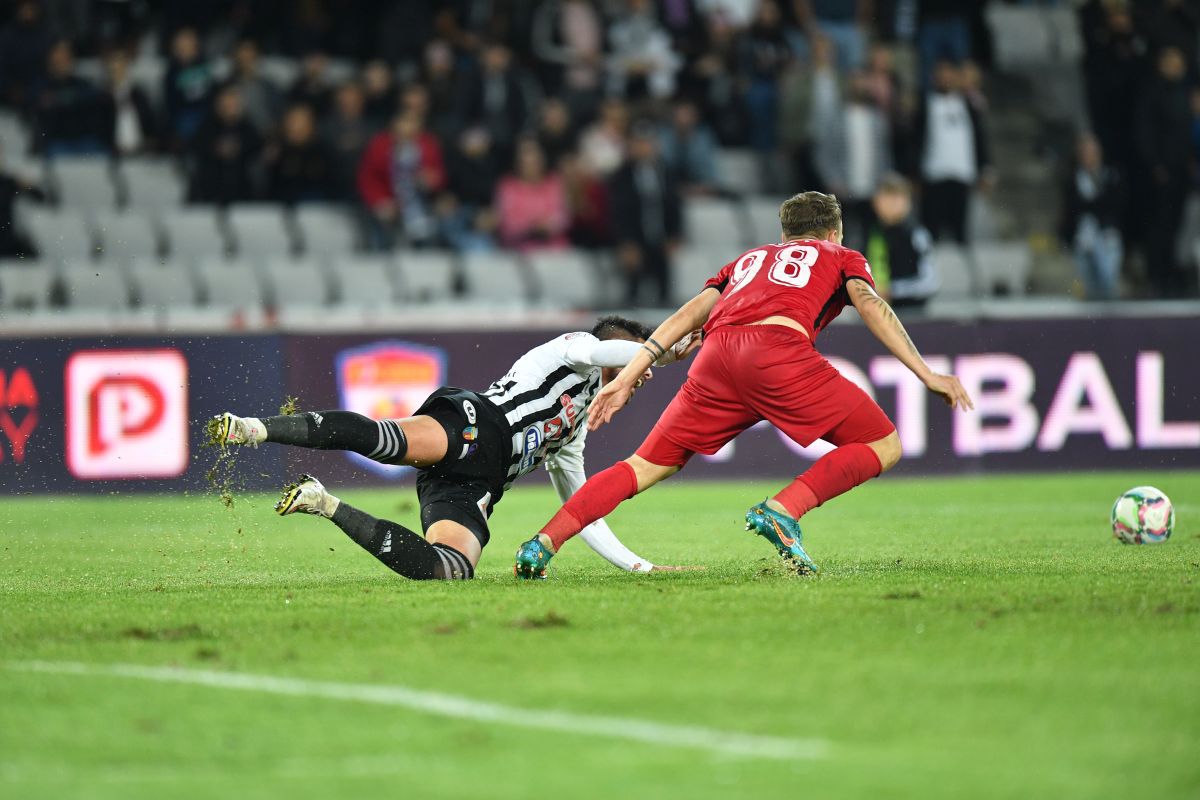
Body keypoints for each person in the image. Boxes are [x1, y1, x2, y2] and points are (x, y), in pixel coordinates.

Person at [514, 191, 973, 579]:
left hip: (716, 358)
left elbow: (687, 314)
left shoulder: (748, 261)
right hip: (778, 351)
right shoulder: (841, 256)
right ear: (834, 233)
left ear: (784, 236)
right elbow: (872, 305)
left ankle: (541, 544)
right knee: (883, 443)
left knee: (643, 466)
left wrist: (630, 373)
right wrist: (925, 372)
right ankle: (785, 509)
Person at [211, 316, 698, 580]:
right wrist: (666, 348)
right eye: (638, 359)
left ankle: (323, 501)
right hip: (478, 424)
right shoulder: (573, 349)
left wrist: (639, 566)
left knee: (449, 570)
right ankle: (252, 429)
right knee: (385, 441)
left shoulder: (574, 430)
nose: (642, 375)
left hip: (476, 484)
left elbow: (583, 508)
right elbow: (607, 353)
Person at [609, 123, 682, 305]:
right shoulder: (621, 176)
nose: (644, 147)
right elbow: (618, 212)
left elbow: (674, 205)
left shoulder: (666, 172)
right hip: (635, 240)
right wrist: (626, 242)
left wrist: (674, 235)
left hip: (660, 238)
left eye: (647, 142)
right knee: (632, 292)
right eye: (639, 143)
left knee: (664, 292)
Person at [1059, 133, 1124, 301]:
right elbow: (1071, 209)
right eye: (1085, 152)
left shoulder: (1110, 175)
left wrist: (1091, 205)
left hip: (1106, 235)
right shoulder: (1073, 179)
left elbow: (1114, 205)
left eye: (1092, 152)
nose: (1089, 156)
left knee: (1107, 280)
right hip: (1083, 237)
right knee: (1089, 286)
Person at [862, 173, 937, 309]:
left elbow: (930, 283)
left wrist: (892, 291)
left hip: (912, 314)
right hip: (875, 315)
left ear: (908, 202)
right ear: (875, 202)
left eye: (897, 197)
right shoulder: (869, 233)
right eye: (886, 197)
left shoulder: (917, 234)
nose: (892, 203)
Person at [495, 137, 569, 252]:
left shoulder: (554, 182)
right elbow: (506, 223)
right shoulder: (507, 186)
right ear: (517, 161)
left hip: (555, 250)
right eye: (526, 157)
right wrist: (532, 226)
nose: (531, 163)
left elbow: (563, 216)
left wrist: (549, 225)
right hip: (519, 251)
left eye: (535, 158)